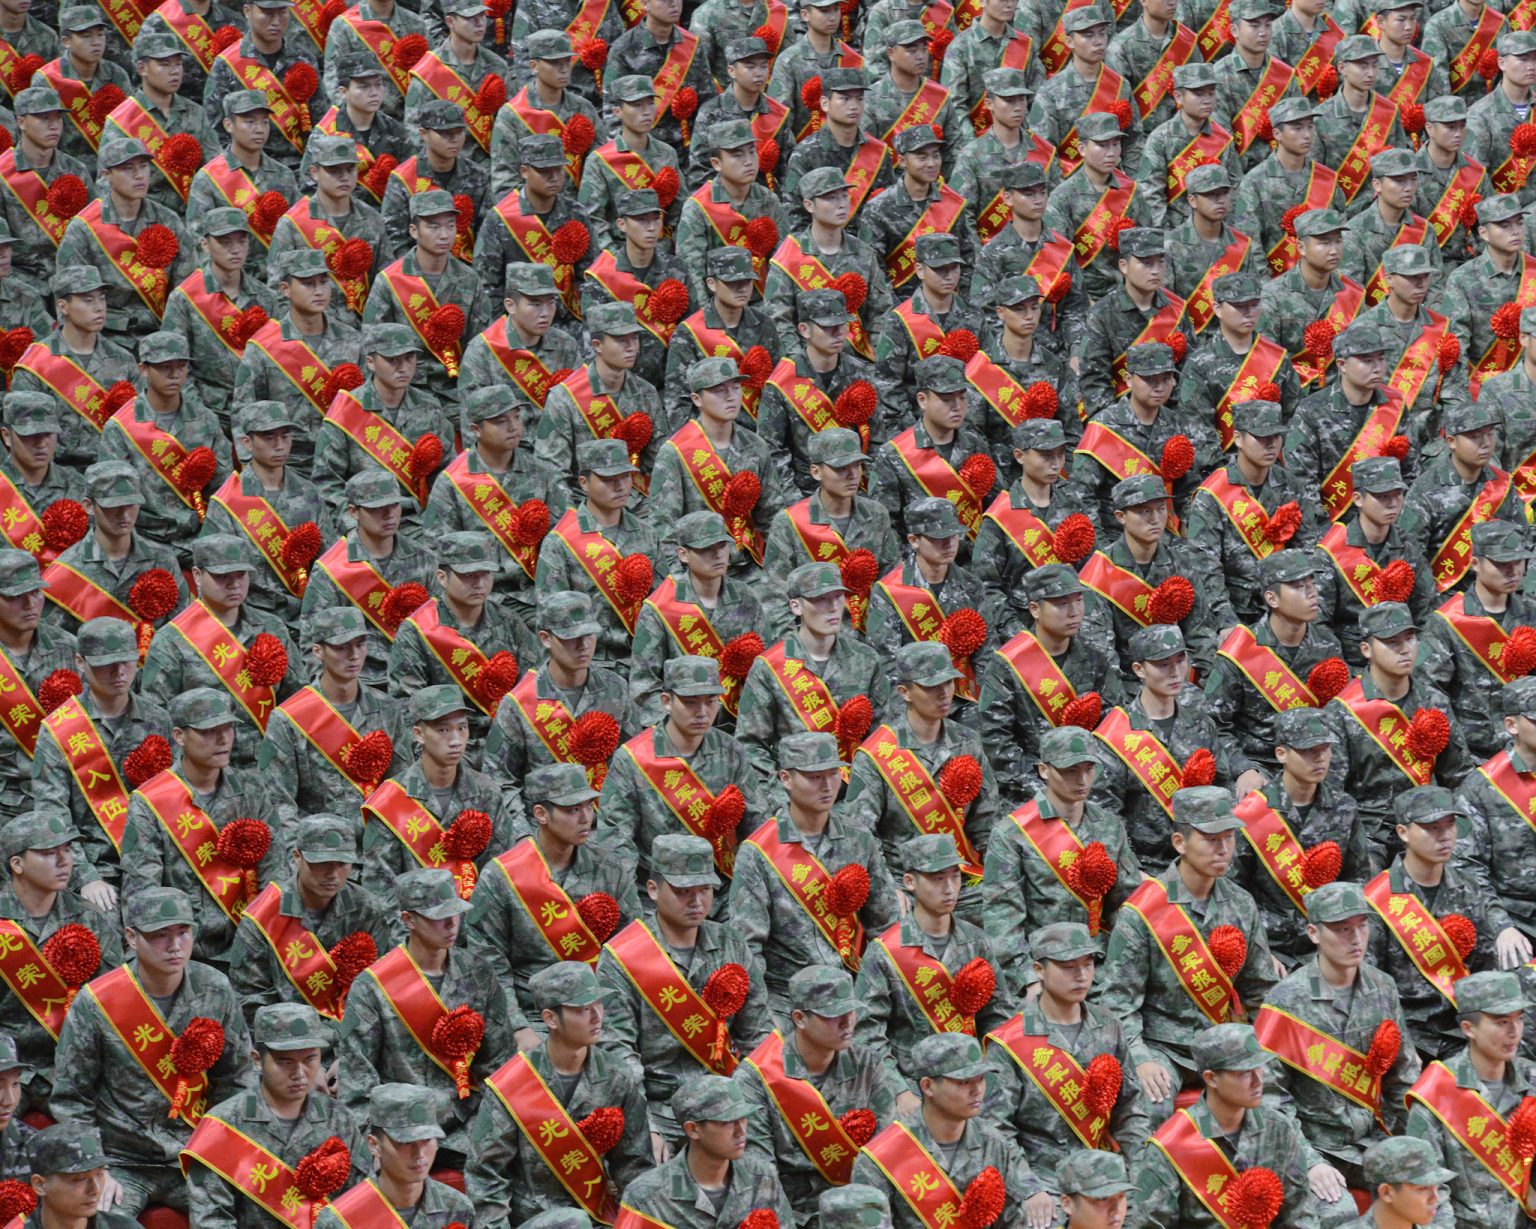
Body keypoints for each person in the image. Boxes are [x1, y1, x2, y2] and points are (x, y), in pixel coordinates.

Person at [50, 887, 254, 1217]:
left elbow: (237, 1081)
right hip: (121, 1160)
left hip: (195, 1153)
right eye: (160, 935)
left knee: (254, 1213)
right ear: (132, 937)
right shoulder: (98, 1001)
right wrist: (95, 1168)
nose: (175, 946)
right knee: (99, 1220)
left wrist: (219, 1152)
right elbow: (72, 1098)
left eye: (183, 932)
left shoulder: (215, 989)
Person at [1099, 786, 1279, 1119]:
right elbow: (1119, 1002)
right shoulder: (1143, 911)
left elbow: (1261, 991)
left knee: (1277, 1101)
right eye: (1211, 840)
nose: (1223, 849)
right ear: (1180, 843)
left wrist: (1265, 1051)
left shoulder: (1241, 904)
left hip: (1226, 1043)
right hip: (1166, 1046)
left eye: (1229, 838)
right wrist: (1141, 1057)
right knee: (1149, 1107)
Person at [594, 833, 774, 1155]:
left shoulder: (732, 943)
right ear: (653, 890)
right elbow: (618, 1055)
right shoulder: (623, 956)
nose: (696, 901)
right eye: (682, 891)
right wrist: (642, 1125)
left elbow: (758, 1037)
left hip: (727, 1100)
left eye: (704, 890)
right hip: (659, 1109)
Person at [1257, 880, 1422, 1205]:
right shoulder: (1286, 1001)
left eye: (1362, 926)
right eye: (1342, 929)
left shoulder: (1383, 987)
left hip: (1375, 1137)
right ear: (1314, 933)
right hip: (1319, 1145)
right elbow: (1269, 1099)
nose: (1356, 938)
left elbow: (1402, 1077)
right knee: (1339, 1213)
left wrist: (1418, 1144)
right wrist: (1310, 1161)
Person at [337, 867, 515, 1158]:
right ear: (408, 920)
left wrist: (487, 1130)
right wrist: (377, 1149)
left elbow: (497, 1065)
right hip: (399, 1134)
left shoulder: (479, 974)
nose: (450, 924)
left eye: (454, 913)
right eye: (437, 917)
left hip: (469, 1126)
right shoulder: (374, 986)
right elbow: (357, 1082)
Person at [729, 731, 900, 1021]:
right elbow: (748, 947)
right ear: (786, 779)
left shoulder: (858, 840)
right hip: (788, 1002)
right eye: (814, 777)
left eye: (833, 774)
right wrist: (759, 1016)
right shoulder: (759, 851)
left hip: (854, 993)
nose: (828, 786)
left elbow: (886, 926)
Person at [466, 960, 650, 1229]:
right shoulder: (512, 1083)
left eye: (598, 1004)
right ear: (550, 1018)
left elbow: (634, 1165)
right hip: (532, 1221)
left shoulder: (617, 1076)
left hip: (597, 1218)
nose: (597, 1016)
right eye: (582, 1009)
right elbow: (486, 1174)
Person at [119, 687, 291, 968]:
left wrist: (259, 938)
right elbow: (142, 889)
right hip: (183, 951)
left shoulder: (252, 791)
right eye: (209, 731)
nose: (223, 739)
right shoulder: (151, 801)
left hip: (250, 942)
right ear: (179, 736)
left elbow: (275, 874)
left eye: (228, 728)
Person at [463, 762, 640, 1025]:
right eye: (572, 810)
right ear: (541, 814)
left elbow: (631, 948)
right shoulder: (502, 876)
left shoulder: (609, 868)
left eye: (589, 806)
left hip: (601, 1013)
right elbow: (489, 963)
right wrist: (518, 1027)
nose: (585, 818)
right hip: (536, 1016)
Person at [983, 922, 1150, 1189]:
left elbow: (1130, 1109)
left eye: (1088, 964)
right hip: (1044, 1177)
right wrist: (1028, 1190)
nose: (1082, 975)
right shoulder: (1009, 1041)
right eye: (1068, 967)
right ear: (1039, 970)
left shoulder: (1109, 1025)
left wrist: (1141, 1172)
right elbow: (996, 1130)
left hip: (1105, 1170)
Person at [737, 965, 906, 1223]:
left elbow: (881, 1155)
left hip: (859, 1210)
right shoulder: (757, 1077)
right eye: (833, 1014)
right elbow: (760, 1173)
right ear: (799, 1019)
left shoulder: (867, 1064)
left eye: (850, 1011)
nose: (848, 1022)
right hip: (794, 1212)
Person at [981, 728, 1141, 998]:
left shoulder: (1110, 827)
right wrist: (1028, 979)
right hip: (1044, 966)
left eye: (1089, 769)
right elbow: (1002, 918)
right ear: (1044, 770)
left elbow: (1126, 905)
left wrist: (1126, 966)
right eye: (1070, 771)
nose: (1082, 780)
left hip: (1099, 964)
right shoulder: (1012, 833)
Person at [183, 1002, 370, 1229]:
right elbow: (211, 1222)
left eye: (310, 1059)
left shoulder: (339, 1120)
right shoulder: (223, 1127)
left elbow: (361, 1202)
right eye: (285, 1062)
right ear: (257, 1060)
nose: (299, 1074)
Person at [595, 655, 765, 894]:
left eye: (711, 701)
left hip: (722, 888)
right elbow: (616, 842)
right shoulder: (633, 759)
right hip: (657, 894)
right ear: (666, 700)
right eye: (690, 702)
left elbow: (757, 824)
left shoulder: (731, 751)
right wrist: (629, 900)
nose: (703, 713)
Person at [852, 834, 1010, 1090]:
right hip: (913, 1083)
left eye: (955, 876)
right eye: (938, 879)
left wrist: (990, 1076)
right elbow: (867, 1035)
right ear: (909, 882)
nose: (949, 888)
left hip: (972, 1079)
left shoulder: (976, 942)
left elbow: (999, 1015)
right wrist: (899, 1091)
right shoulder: (885, 952)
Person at [1129, 1023, 1325, 1229]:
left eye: (1259, 1067)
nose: (1258, 1081)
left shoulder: (1278, 1129)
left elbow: (1298, 1214)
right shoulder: (1171, 1144)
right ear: (1211, 1079)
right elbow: (1150, 1224)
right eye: (1244, 1073)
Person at [32, 616, 169, 907]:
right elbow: (53, 816)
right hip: (96, 864)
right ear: (80, 662)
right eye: (106, 662)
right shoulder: (59, 729)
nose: (119, 672)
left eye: (127, 661)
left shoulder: (159, 720)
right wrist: (86, 877)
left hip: (157, 863)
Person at [138, 534, 302, 770]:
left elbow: (295, 698)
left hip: (270, 765)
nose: (234, 584)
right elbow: (157, 720)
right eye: (222, 576)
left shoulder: (272, 627)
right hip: (206, 772)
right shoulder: (172, 639)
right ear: (197, 575)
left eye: (241, 575)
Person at [1326, 604, 1473, 865]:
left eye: (1410, 639)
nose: (1406, 649)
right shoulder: (1344, 711)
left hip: (1429, 824)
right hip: (1369, 832)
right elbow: (1332, 795)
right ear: (1366, 650)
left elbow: (1457, 774)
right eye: (1392, 642)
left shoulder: (1433, 701)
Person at [0, 810, 122, 1110]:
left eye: (67, 850)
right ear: (17, 864)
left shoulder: (90, 918)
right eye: (48, 853)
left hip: (76, 1067)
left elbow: (112, 1002)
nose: (64, 861)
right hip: (6, 1067)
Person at [850, 1033, 1035, 1229]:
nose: (977, 1090)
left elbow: (1011, 1222)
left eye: (980, 1079)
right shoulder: (883, 1156)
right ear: (928, 1086)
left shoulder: (994, 1144)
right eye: (964, 1082)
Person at [1230, 707, 1370, 967]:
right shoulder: (1252, 813)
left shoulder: (1344, 807)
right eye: (1308, 751)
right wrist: (1257, 952)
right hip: (1268, 945)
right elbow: (1233, 893)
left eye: (1325, 748)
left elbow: (1357, 879)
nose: (1320, 758)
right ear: (1281, 753)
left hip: (1327, 945)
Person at [226, 812, 395, 1025]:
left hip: (352, 1033)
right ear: (297, 857)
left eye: (342, 863)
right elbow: (250, 1001)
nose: (333, 874)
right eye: (321, 862)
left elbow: (381, 985)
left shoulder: (366, 908)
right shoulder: (263, 917)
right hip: (286, 1041)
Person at [734, 561, 890, 784]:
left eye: (838, 597)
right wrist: (779, 795)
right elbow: (750, 745)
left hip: (857, 791)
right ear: (796, 607)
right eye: (820, 599)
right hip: (798, 793)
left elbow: (881, 735)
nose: (833, 607)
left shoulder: (866, 659)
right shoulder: (770, 667)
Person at [1366, 786, 1493, 1058]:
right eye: (1431, 828)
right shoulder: (1378, 898)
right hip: (1406, 1035)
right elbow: (1370, 984)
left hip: (1462, 1032)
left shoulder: (1469, 890)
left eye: (1449, 826)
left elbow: (1485, 967)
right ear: (1403, 833)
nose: (1445, 836)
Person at [1402, 970, 1536, 1227]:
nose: (1514, 1031)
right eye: (1501, 1022)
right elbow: (1429, 1191)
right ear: (1468, 1028)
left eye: (1518, 1019)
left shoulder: (1532, 1078)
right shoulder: (1437, 1092)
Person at [980, 567, 1122, 805]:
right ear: (1035, 609)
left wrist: (1090, 781)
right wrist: (1044, 788)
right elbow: (996, 742)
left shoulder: (1095, 661)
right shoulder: (1006, 666)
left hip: (1088, 784)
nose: (1074, 612)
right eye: (1062, 603)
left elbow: (1111, 729)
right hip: (1030, 789)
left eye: (1079, 601)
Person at [386, 530, 539, 751]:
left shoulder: (510, 622)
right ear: (442, 577)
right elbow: (407, 706)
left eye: (485, 573)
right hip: (446, 746)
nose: (479, 583)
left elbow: (532, 686)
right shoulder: (418, 631)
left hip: (505, 743)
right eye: (468, 575)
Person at [359, 684, 516, 899]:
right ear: (419, 734)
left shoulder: (486, 793)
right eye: (443, 730)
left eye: (461, 728)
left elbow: (502, 872)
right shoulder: (390, 800)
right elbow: (381, 891)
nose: (455, 740)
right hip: (415, 926)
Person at [482, 590, 641, 800]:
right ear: (546, 638)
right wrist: (524, 834)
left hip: (605, 820)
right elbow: (500, 781)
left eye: (589, 635)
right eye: (571, 637)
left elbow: (633, 765)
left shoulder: (616, 688)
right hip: (545, 824)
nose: (583, 645)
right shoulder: (519, 703)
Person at [648, 357, 788, 589]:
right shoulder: (676, 452)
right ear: (696, 399)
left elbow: (771, 514)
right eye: (719, 391)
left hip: (752, 567)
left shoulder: (755, 445)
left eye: (735, 388)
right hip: (699, 574)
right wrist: (680, 583)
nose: (731, 396)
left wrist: (779, 571)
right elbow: (664, 526)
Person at [1205, 549, 1346, 779]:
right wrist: (1243, 769)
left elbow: (1337, 716)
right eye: (1299, 586)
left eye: (1312, 582)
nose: (1313, 592)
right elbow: (1214, 726)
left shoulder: (1328, 645)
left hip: (1313, 762)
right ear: (1272, 598)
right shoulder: (1240, 652)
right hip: (1260, 765)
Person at [101, 331, 233, 568]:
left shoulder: (205, 421)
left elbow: (224, 490)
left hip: (198, 538)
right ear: (143, 369)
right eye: (164, 367)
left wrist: (209, 536)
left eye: (181, 366)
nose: (174, 375)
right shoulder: (121, 426)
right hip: (143, 541)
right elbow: (112, 498)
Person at [1186, 401, 1317, 634]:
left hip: (1287, 606)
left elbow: (1309, 550)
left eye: (1276, 436)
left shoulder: (1291, 485)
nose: (1271, 445)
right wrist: (1226, 622)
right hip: (1238, 611)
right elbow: (1205, 567)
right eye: (1261, 437)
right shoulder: (1212, 496)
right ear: (1238, 439)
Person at [230, 250, 365, 476]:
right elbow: (244, 411)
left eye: (324, 282)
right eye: (308, 284)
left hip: (342, 460)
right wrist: (252, 469)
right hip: (286, 463)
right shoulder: (264, 346)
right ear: (285, 289)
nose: (319, 291)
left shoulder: (352, 340)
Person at [758, 418, 899, 634]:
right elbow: (774, 596)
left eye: (857, 465)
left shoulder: (876, 514)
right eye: (841, 468)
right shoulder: (790, 523)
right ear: (816, 472)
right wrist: (793, 648)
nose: (852, 475)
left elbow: (891, 582)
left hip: (871, 634)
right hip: (816, 637)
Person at [298, 470, 436, 690]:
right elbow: (311, 641)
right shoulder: (332, 568)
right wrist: (331, 695)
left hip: (414, 681)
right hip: (357, 683)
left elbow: (438, 630)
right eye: (377, 508)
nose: (389, 514)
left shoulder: (424, 559)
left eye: (394, 506)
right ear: (354, 512)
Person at [56, 135, 195, 354]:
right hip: (106, 336)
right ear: (106, 175)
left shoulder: (168, 220)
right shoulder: (84, 228)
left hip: (160, 333)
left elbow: (186, 290)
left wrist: (172, 339)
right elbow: (69, 298)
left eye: (144, 166)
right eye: (128, 168)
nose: (139, 175)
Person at [533, 438, 663, 671]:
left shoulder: (648, 534)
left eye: (625, 476)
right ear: (584, 482)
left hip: (642, 659)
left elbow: (660, 601)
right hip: (588, 661)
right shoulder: (561, 540)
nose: (621, 486)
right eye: (608, 479)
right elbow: (551, 613)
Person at [628, 511, 765, 728]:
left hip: (738, 725)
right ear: (683, 554)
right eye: (706, 549)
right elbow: (644, 685)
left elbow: (764, 671)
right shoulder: (660, 607)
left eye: (722, 546)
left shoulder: (747, 599)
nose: (718, 555)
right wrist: (674, 730)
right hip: (682, 729)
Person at [203, 400, 334, 627]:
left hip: (306, 614)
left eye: (285, 436)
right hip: (251, 616)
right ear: (246, 443)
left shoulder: (308, 493)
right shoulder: (228, 500)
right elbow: (215, 572)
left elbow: (327, 562)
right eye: (269, 438)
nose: (280, 445)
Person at [363, 187, 493, 408]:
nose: (444, 235)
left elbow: (480, 346)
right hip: (405, 392)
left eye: (450, 226)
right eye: (433, 226)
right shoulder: (390, 281)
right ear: (414, 230)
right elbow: (371, 344)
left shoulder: (469, 280)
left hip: (455, 392)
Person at [1420, 521, 1536, 761]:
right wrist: (1459, 759)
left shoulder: (1531, 614)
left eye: (1518, 562)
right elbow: (1430, 692)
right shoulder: (1447, 622)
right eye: (1502, 564)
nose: (1513, 571)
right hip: (1474, 755)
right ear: (1475, 564)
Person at [162, 211, 282, 438]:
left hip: (257, 413)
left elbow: (276, 364)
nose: (235, 249)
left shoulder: (267, 298)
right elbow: (175, 367)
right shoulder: (185, 298)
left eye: (241, 241)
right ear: (205, 245)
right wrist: (199, 417)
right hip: (208, 409)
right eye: (224, 242)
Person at [1072, 343, 1214, 532]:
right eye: (1150, 379)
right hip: (1115, 537)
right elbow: (1081, 495)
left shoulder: (1178, 424)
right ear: (1129, 379)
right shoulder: (1104, 426)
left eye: (1166, 379)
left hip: (1164, 538)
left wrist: (1194, 540)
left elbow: (1187, 492)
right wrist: (1102, 549)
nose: (1159, 387)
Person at [9, 266, 137, 475]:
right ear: (63, 307)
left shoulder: (124, 361)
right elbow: (23, 435)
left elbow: (137, 427)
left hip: (111, 473)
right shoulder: (36, 363)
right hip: (55, 474)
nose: (99, 308)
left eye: (102, 299)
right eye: (88, 300)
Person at [864, 498, 993, 705]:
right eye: (938, 537)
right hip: (915, 699)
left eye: (954, 535)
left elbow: (986, 655)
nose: (949, 543)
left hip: (961, 696)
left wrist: (986, 705)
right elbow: (886, 663)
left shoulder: (971, 585)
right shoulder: (889, 590)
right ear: (914, 540)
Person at [621, 1074, 794, 1226]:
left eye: (743, 1118)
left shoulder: (763, 1179)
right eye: (727, 1122)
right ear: (693, 1130)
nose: (741, 1131)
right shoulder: (647, 1197)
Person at [534, 303, 664, 504]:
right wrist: (575, 522)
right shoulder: (565, 397)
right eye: (621, 340)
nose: (631, 347)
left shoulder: (645, 392)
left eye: (634, 338)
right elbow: (552, 471)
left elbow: (659, 461)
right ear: (597, 345)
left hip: (638, 501)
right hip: (585, 503)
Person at [39, 461, 188, 636]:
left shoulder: (163, 559)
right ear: (88, 506)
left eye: (131, 505)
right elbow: (57, 642)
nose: (124, 515)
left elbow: (182, 629)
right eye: (113, 506)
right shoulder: (67, 571)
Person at [1315, 459, 1438, 668]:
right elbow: (1318, 622)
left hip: (1404, 661)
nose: (1392, 503)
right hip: (1354, 663)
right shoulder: (1331, 551)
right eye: (1382, 496)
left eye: (1397, 494)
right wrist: (1344, 670)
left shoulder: (1409, 547)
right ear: (1358, 499)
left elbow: (1426, 611)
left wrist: (1419, 663)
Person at [868, 357, 996, 558]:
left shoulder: (976, 445)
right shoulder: (894, 455)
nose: (957, 407)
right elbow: (885, 524)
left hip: (973, 564)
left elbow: (993, 508)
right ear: (922, 400)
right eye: (946, 399)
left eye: (962, 397)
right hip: (921, 566)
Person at [970, 418, 1094, 617]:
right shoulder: (1000, 516)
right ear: (1020, 456)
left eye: (1060, 454)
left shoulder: (1073, 505)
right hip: (1024, 625)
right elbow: (987, 587)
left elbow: (1089, 570)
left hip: (1072, 619)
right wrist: (1018, 634)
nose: (1056, 464)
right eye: (1046, 456)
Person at [871, 232, 989, 436]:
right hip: (916, 429)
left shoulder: (974, 317)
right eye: (939, 269)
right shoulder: (899, 320)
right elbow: (887, 384)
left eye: (954, 268)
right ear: (920, 270)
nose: (949, 275)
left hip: (969, 429)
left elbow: (987, 375)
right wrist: (918, 430)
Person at [265, 131, 387, 328]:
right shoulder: (293, 224)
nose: (344, 177)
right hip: (314, 333)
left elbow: (383, 284)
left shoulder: (372, 219)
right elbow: (278, 292)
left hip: (364, 328)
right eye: (334, 171)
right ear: (314, 172)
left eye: (350, 170)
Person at [314, 1083, 477, 1229]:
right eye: (405, 1142)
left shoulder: (458, 1208)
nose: (419, 1154)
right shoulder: (339, 1221)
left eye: (427, 1140)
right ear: (374, 1145)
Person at [1076, 230, 1197, 427]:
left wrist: (1173, 421)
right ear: (1123, 266)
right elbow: (1094, 380)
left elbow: (1189, 374)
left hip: (1170, 420)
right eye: (1146, 263)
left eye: (1160, 262)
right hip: (1120, 423)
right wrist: (1122, 427)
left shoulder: (1176, 309)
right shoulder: (1102, 314)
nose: (1156, 270)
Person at [661, 247, 784, 438]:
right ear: (712, 284)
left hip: (760, 434)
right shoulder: (689, 333)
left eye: (747, 281)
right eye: (732, 282)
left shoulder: (765, 325)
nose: (742, 288)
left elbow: (777, 386)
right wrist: (695, 443)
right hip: (712, 437)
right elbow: (678, 400)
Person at [1458, 677, 1536, 972]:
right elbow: (1467, 867)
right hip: (1515, 918)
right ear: (1512, 725)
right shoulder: (1482, 788)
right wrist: (1500, 925)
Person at [455, 267, 583, 445]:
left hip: (558, 449)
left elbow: (579, 410)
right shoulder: (483, 351)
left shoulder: (565, 345)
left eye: (551, 303)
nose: (545, 313)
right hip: (508, 453)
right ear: (510, 306)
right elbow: (472, 425)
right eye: (536, 304)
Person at [185, 91, 300, 287]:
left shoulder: (284, 176)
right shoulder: (209, 179)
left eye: (264, 122)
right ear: (228, 125)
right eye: (250, 122)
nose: (259, 129)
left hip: (278, 281)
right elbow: (198, 242)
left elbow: (296, 233)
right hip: (231, 282)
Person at [673, 118, 792, 306]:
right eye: (737, 155)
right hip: (718, 307)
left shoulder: (769, 201)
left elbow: (783, 263)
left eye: (752, 152)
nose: (748, 162)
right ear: (716, 163)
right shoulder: (698, 208)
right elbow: (692, 273)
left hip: (764, 306)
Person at [0, 551, 77, 823]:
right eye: (15, 597)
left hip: (68, 793)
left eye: (35, 592)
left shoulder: (68, 646)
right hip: (6, 800)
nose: (30, 604)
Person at [104, 31, 219, 215]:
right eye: (164, 65)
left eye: (178, 64)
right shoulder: (123, 119)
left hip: (192, 212)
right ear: (142, 68)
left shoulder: (196, 112)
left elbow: (214, 169)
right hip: (145, 216)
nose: (174, 71)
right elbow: (107, 184)